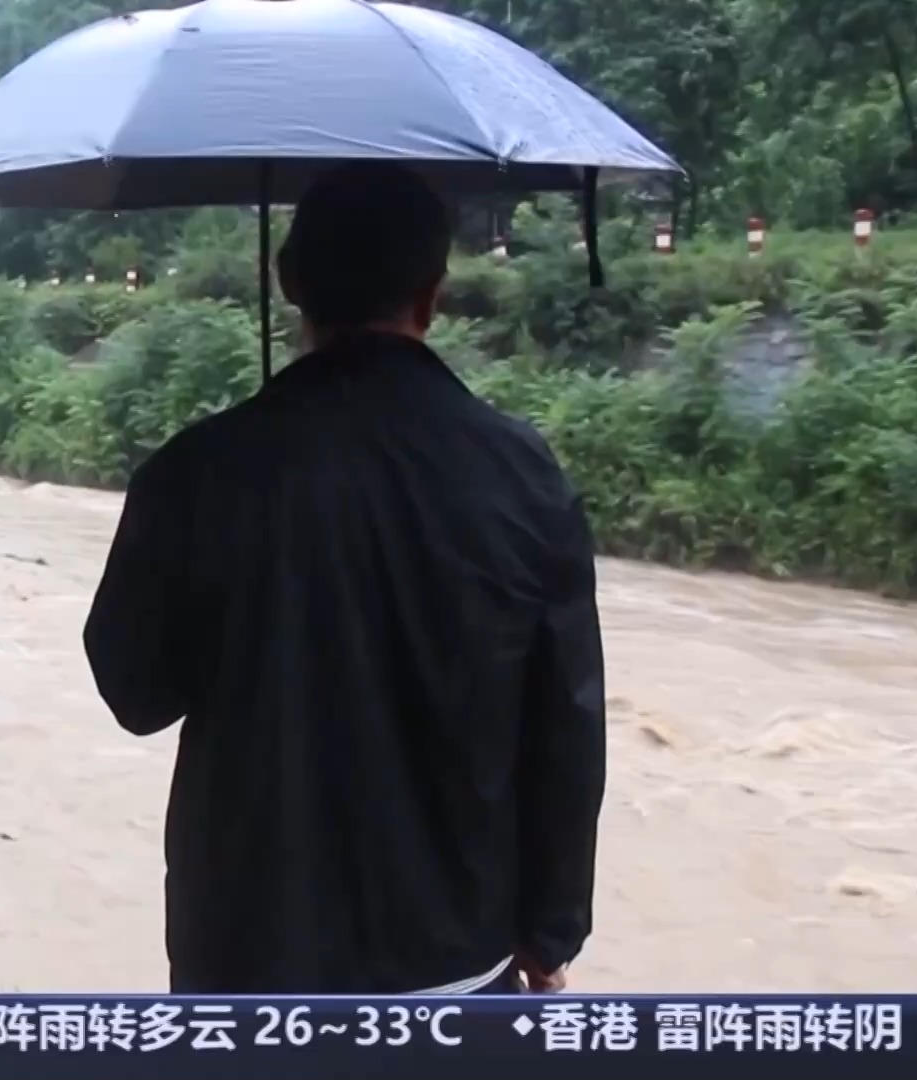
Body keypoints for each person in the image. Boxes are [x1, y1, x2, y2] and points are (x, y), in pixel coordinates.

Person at [82, 163, 607, 995]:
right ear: (432, 293)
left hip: (247, 962)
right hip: (455, 963)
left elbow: (135, 693)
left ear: (288, 281)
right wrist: (551, 931)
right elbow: (566, 722)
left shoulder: (198, 473)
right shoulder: (523, 474)